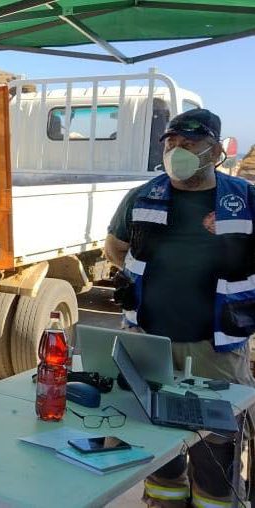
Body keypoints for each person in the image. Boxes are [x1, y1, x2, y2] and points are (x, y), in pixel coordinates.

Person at [105, 108, 255, 508]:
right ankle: (164, 501)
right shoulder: (142, 196)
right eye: (171, 144)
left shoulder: (244, 200)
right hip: (150, 343)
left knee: (216, 448)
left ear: (215, 151)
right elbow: (114, 248)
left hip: (217, 346)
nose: (177, 151)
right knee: (157, 443)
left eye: (189, 144)